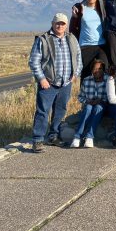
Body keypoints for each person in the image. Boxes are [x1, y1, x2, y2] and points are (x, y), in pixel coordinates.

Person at [29, 13, 82, 153]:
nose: (60, 26)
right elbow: (34, 61)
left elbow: (78, 57)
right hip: (48, 83)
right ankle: (38, 140)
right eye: (57, 23)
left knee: (60, 111)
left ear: (66, 25)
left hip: (65, 83)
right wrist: (41, 79)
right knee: (42, 111)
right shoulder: (43, 39)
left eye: (63, 23)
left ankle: (53, 136)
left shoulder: (71, 38)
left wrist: (75, 74)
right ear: (52, 23)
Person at [69, 0, 108, 79]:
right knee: (86, 73)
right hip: (85, 46)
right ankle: (85, 93)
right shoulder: (80, 9)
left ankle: (103, 93)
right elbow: (73, 28)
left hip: (101, 44)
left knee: (104, 70)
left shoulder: (102, 6)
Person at [70, 59, 108, 149]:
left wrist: (100, 100)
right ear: (91, 70)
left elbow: (110, 96)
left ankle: (89, 137)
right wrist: (88, 101)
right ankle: (77, 137)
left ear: (103, 70)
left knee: (98, 108)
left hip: (102, 105)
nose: (97, 71)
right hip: (89, 104)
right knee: (88, 108)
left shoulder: (108, 79)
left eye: (100, 69)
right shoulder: (86, 80)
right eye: (95, 69)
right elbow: (80, 97)